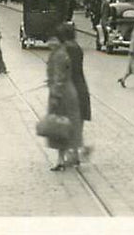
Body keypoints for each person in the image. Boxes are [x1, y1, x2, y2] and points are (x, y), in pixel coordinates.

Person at [45, 24, 82, 170]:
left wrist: (55, 95)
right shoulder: (59, 53)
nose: (49, 42)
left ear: (58, 40)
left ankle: (62, 160)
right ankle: (68, 157)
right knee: (65, 126)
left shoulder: (59, 55)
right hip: (67, 91)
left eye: (52, 39)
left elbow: (59, 77)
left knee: (60, 127)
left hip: (63, 94)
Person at [61, 23, 92, 161]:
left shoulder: (66, 49)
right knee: (77, 122)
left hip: (70, 87)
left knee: (67, 121)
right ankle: (76, 152)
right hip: (81, 86)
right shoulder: (77, 48)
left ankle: (73, 152)